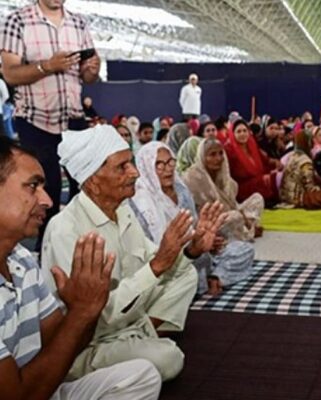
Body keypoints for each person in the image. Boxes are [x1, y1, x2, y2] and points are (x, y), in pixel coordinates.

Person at [41, 125, 222, 381]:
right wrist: (157, 265)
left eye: (132, 163)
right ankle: (138, 344)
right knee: (169, 359)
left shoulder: (122, 209)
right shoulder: (66, 230)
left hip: (127, 317)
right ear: (93, 181)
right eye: (122, 167)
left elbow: (155, 262)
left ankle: (141, 337)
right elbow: (93, 315)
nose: (134, 172)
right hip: (90, 342)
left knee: (186, 275)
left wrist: (192, 250)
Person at [0, 136, 161, 399]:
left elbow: (62, 342)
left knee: (143, 375)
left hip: (45, 384)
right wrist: (82, 312)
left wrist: (85, 308)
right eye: (33, 186)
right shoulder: (64, 228)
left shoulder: (22, 261)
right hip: (25, 393)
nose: (47, 200)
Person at [0, 0, 101, 250]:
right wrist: (47, 66)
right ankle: (45, 256)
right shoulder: (18, 20)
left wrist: (92, 70)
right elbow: (10, 73)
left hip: (73, 120)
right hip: (36, 120)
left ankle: (81, 250)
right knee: (47, 194)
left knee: (86, 191)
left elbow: (88, 77)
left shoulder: (79, 23)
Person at [131, 141, 253, 295]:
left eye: (170, 162)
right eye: (159, 164)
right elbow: (151, 251)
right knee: (179, 278)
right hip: (170, 263)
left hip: (197, 254)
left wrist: (206, 240)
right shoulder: (141, 203)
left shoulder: (181, 190)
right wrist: (192, 247)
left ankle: (215, 277)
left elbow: (195, 226)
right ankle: (201, 281)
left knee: (243, 249)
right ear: (146, 167)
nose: (168, 169)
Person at [183, 138, 264, 241]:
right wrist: (244, 222)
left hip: (229, 214)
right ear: (202, 157)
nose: (218, 158)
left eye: (221, 153)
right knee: (235, 217)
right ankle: (245, 233)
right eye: (212, 154)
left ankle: (243, 229)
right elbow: (206, 211)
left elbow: (233, 204)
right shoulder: (193, 177)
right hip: (207, 223)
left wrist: (245, 220)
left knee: (257, 199)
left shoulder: (222, 174)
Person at [278, 129, 321, 209]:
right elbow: (310, 188)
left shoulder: (291, 156)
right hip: (298, 198)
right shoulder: (306, 161)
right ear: (308, 143)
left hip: (285, 197)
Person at [225, 119, 279, 204]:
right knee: (270, 179)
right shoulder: (229, 151)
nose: (242, 134)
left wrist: (276, 163)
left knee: (277, 174)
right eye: (239, 131)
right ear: (233, 134)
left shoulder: (252, 145)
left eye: (244, 131)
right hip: (242, 189)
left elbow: (265, 160)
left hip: (257, 182)